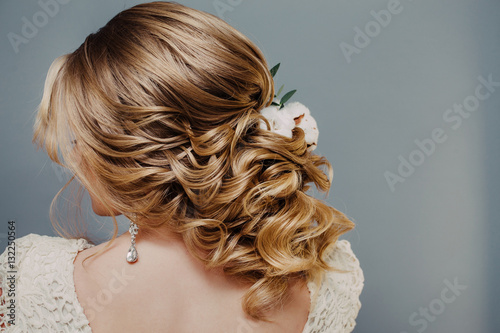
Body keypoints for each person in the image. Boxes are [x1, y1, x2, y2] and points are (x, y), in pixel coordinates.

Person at [0, 2, 363, 332]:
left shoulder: (28, 279)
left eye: (81, 139)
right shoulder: (332, 280)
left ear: (130, 154)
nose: (74, 157)